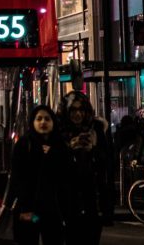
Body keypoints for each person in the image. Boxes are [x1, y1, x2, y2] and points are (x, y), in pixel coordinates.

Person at [6, 105, 69, 245]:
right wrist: (24, 208)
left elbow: (66, 176)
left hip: (52, 212)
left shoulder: (60, 145)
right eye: (38, 119)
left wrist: (51, 155)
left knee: (54, 239)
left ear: (53, 122)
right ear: (32, 122)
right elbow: (18, 178)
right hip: (30, 212)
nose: (43, 122)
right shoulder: (24, 144)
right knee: (28, 239)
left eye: (47, 119)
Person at [57, 92, 113, 244]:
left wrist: (92, 149)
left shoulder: (95, 129)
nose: (77, 114)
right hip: (68, 201)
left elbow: (106, 164)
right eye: (73, 110)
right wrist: (70, 148)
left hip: (92, 200)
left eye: (81, 110)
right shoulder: (59, 132)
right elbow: (54, 166)